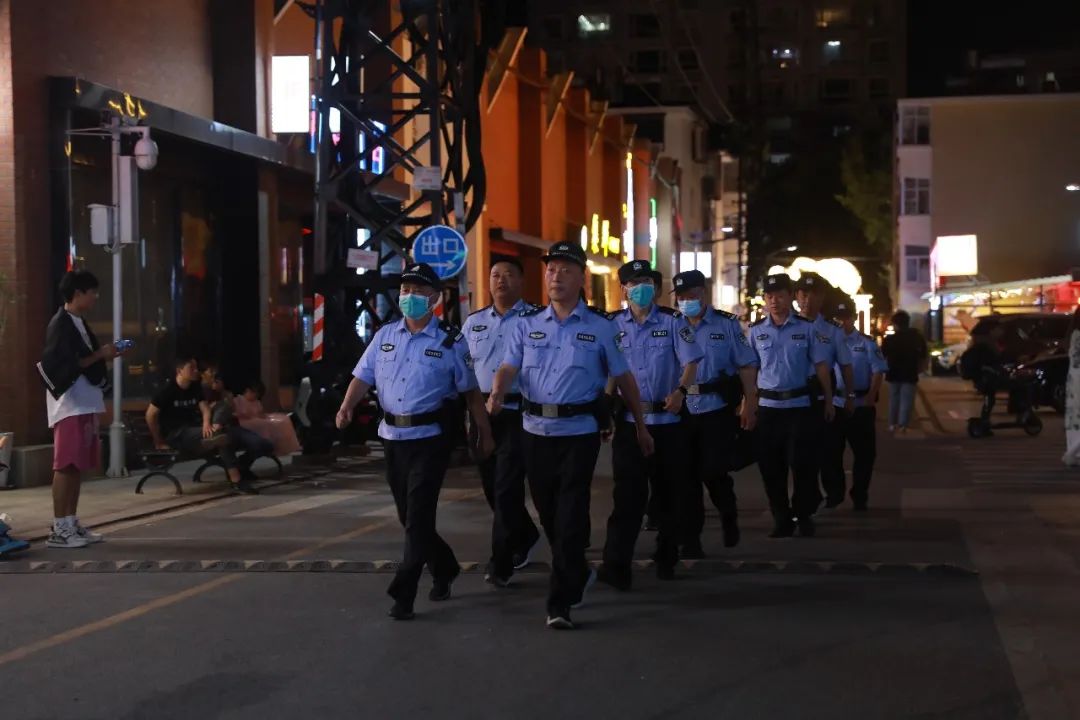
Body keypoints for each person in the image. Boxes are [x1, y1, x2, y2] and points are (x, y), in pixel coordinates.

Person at [488, 241, 653, 630]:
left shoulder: (600, 327)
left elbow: (625, 378)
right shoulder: (526, 325)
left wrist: (641, 426)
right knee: (548, 512)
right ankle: (577, 570)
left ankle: (559, 601)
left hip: (579, 433)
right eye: (551, 270)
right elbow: (508, 367)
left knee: (571, 512)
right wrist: (497, 392)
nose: (555, 276)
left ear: (582, 278)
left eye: (565, 270)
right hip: (535, 432)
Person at [336, 262, 494, 621]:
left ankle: (403, 592)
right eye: (406, 291)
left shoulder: (451, 341)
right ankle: (445, 566)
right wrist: (346, 407)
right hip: (392, 438)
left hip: (430, 440)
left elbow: (470, 395)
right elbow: (363, 376)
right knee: (410, 518)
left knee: (419, 517)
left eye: (418, 293)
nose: (409, 298)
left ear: (435, 299)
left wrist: (483, 433)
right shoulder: (385, 336)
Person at [598, 260, 703, 590]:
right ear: (624, 289)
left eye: (646, 281)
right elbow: (611, 374)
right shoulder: (613, 325)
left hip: (668, 422)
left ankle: (667, 556)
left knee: (669, 494)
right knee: (626, 497)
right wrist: (605, 412)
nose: (640, 287)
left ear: (656, 289)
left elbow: (691, 361)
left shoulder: (673, 322)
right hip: (631, 423)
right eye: (633, 282)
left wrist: (681, 391)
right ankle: (617, 566)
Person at [462, 258, 542, 586]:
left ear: (522, 281)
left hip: (518, 411)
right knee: (491, 486)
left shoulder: (537, 319)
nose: (501, 280)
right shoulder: (474, 322)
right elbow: (463, 368)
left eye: (509, 274)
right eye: (495, 274)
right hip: (481, 412)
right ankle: (524, 535)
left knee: (507, 486)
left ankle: (501, 562)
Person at [671, 269, 759, 556]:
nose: (687, 301)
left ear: (703, 293)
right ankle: (691, 539)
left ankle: (728, 513)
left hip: (716, 409)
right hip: (682, 411)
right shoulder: (672, 326)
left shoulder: (727, 325)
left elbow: (746, 365)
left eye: (692, 295)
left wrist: (750, 404)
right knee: (686, 477)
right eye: (681, 297)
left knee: (714, 471)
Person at [36, 270, 124, 549]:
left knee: (77, 465)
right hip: (70, 403)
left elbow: (84, 361)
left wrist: (102, 356)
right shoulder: (61, 324)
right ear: (77, 293)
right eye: (92, 292)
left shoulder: (78, 322)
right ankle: (60, 527)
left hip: (84, 401)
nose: (95, 297)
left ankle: (70, 522)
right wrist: (101, 355)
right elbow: (59, 363)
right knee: (66, 464)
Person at [750, 273, 834, 538]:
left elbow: (821, 367)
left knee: (803, 464)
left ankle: (804, 514)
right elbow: (750, 370)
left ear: (790, 298)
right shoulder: (755, 332)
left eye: (781, 296)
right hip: (768, 408)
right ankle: (781, 518)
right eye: (770, 296)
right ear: (764, 300)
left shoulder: (807, 329)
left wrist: (829, 400)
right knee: (770, 467)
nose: (775, 301)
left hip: (800, 407)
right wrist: (746, 404)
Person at [146, 358, 269, 495]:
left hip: (195, 433)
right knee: (221, 436)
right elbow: (150, 415)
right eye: (191, 368)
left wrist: (206, 424)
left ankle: (232, 473)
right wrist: (158, 441)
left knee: (221, 436)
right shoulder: (166, 390)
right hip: (177, 435)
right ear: (179, 371)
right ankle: (236, 480)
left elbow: (205, 408)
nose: (195, 371)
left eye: (196, 368)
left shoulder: (194, 387)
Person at [794, 273, 854, 511]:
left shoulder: (832, 330)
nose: (807, 299)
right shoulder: (786, 325)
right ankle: (808, 499)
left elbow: (845, 366)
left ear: (822, 297)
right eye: (803, 294)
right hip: (795, 399)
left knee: (828, 452)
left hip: (823, 397)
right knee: (801, 456)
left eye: (813, 294)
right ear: (796, 296)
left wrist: (849, 397)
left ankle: (834, 490)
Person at [821, 298, 888, 510]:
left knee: (865, 455)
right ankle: (835, 493)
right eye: (837, 319)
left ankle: (860, 495)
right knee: (830, 453)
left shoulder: (866, 343)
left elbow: (878, 370)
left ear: (853, 318)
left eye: (845, 318)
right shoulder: (827, 344)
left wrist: (871, 395)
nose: (842, 323)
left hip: (860, 405)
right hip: (837, 404)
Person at [881, 310, 928, 433]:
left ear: (895, 324)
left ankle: (892, 424)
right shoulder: (917, 337)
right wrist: (920, 369)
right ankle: (903, 425)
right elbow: (923, 355)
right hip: (910, 373)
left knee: (894, 399)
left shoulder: (890, 339)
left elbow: (882, 356)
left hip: (893, 373)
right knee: (907, 400)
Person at [234, 380, 301, 457]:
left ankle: (283, 445)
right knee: (265, 424)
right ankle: (269, 443)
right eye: (254, 394)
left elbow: (260, 413)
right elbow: (236, 413)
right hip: (245, 422)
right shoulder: (239, 400)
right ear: (248, 391)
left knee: (283, 419)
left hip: (256, 419)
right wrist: (246, 415)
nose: (256, 396)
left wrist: (262, 416)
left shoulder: (256, 402)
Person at [1062, 308, 1080, 466]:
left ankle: (1073, 452)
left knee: (1075, 419)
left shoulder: (1073, 335)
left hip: (1074, 380)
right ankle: (1073, 453)